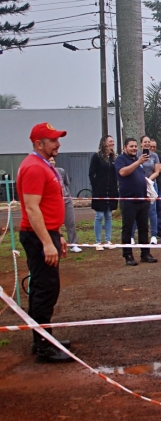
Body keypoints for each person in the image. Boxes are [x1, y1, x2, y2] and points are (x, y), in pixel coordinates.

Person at [17, 122, 73, 363]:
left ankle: (44, 337)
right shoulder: (33, 167)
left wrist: (55, 234)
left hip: (46, 233)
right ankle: (43, 346)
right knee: (45, 288)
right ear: (38, 144)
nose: (58, 143)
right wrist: (46, 243)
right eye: (52, 140)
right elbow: (31, 208)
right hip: (37, 235)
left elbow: (47, 206)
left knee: (47, 287)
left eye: (57, 139)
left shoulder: (41, 165)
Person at [115, 138, 158, 266]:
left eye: (135, 146)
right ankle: (128, 255)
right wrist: (138, 161)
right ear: (124, 147)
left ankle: (145, 254)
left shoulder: (137, 161)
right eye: (131, 146)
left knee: (144, 228)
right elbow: (122, 172)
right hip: (128, 200)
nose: (134, 148)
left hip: (142, 199)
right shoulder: (121, 159)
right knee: (128, 229)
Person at [89, 135, 118, 251]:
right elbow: (91, 173)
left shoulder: (113, 158)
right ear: (104, 143)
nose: (112, 143)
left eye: (113, 141)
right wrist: (96, 187)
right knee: (99, 215)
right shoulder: (96, 157)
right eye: (110, 141)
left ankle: (107, 240)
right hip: (99, 191)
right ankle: (97, 241)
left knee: (109, 215)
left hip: (111, 190)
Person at [132, 135, 161, 244]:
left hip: (151, 184)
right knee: (136, 210)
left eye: (149, 142)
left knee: (152, 211)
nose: (147, 144)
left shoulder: (154, 156)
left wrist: (148, 180)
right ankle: (132, 235)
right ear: (141, 144)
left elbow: (157, 171)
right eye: (145, 142)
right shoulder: (137, 155)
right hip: (138, 185)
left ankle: (153, 235)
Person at [48, 157, 81, 253]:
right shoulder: (45, 172)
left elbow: (67, 183)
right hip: (53, 202)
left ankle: (73, 244)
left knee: (70, 222)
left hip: (66, 200)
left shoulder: (61, 171)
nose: (51, 162)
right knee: (54, 224)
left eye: (53, 160)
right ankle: (56, 244)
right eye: (49, 160)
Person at [149, 139, 161, 239]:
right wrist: (157, 168)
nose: (153, 148)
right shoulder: (143, 157)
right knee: (149, 211)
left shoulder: (158, 156)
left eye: (154, 146)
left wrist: (156, 169)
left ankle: (159, 231)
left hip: (159, 186)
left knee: (159, 210)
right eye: (151, 146)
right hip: (147, 186)